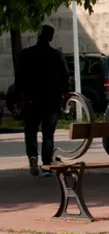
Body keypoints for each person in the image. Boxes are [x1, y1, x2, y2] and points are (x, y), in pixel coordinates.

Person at [14, 25, 69, 177]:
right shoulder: (56, 56)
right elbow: (65, 79)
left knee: (31, 131)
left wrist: (19, 97)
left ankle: (32, 157)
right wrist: (64, 97)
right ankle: (46, 164)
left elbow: (19, 79)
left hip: (31, 100)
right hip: (51, 101)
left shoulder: (26, 54)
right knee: (48, 134)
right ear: (51, 38)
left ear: (39, 36)